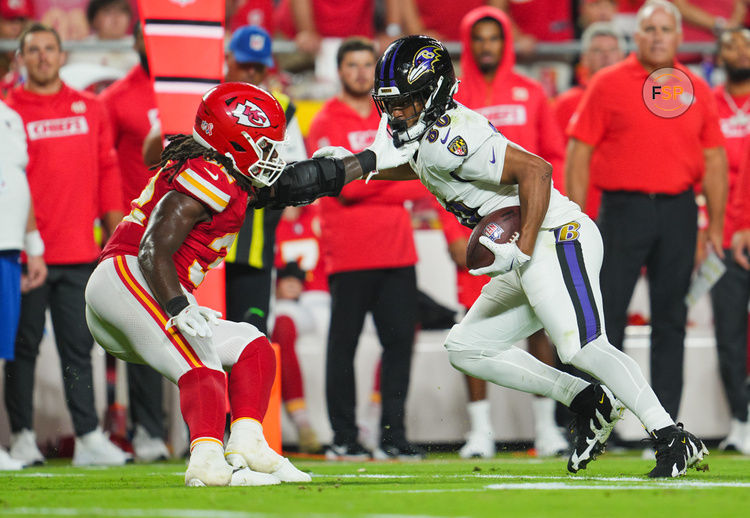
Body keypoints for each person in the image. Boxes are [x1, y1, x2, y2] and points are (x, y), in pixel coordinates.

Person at [312, 34, 708, 477]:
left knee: (582, 344)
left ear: (434, 91)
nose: (397, 112)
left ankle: (672, 436)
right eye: (390, 103)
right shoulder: (430, 134)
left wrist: (521, 250)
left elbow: (537, 170)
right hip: (525, 248)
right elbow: (420, 161)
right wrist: (355, 166)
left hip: (558, 236)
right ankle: (586, 400)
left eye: (408, 100)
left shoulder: (455, 134)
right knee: (466, 348)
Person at [84, 82, 322, 486]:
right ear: (235, 141)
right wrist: (179, 306)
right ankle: (207, 462)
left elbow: (293, 186)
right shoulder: (209, 173)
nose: (273, 154)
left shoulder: (221, 171)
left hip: (144, 286)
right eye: (265, 144)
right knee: (201, 365)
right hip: (130, 277)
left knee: (252, 346)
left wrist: (362, 163)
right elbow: (152, 248)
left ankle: (247, 442)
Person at [566, 0, 728, 423]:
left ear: (679, 37)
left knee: (671, 320)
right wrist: (577, 216)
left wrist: (715, 227)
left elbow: (713, 160)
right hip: (621, 211)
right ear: (635, 36)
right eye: (649, 29)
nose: (657, 36)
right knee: (606, 320)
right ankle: (601, 423)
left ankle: (665, 424)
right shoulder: (607, 83)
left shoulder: (698, 88)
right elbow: (579, 151)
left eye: (665, 29)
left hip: (678, 211)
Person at [4, 23, 131, 467]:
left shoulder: (91, 107)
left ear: (62, 56)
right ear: (20, 59)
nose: (42, 57)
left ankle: (89, 435)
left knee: (80, 347)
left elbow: (108, 174)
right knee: (22, 347)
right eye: (33, 50)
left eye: (50, 49)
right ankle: (20, 435)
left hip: (81, 252)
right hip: (24, 254)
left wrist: (120, 242)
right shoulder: (7, 109)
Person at [447, 5, 569, 459]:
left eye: (493, 38)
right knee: (474, 325)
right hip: (476, 227)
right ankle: (480, 431)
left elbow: (553, 155)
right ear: (467, 44)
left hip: (531, 223)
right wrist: (450, 233)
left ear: (507, 42)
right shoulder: (455, 102)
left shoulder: (533, 92)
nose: (486, 46)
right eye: (477, 38)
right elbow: (441, 174)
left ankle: (546, 429)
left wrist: (553, 221)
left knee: (541, 321)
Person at [308, 37, 428, 460]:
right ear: (338, 71)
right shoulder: (325, 119)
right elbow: (344, 185)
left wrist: (382, 180)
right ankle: (344, 436)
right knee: (344, 346)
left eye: (366, 65)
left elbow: (419, 171)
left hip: (398, 252)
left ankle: (394, 436)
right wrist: (397, 183)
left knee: (399, 346)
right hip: (351, 254)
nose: (360, 72)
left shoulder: (393, 115)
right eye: (352, 65)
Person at [98, 21, 170, 462]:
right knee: (145, 331)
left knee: (194, 326)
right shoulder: (115, 98)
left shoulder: (194, 93)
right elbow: (104, 168)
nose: (152, 43)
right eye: (147, 33)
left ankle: (206, 428)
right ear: (136, 40)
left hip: (190, 228)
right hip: (138, 230)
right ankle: (147, 429)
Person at [223, 25, 308, 335]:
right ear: (228, 58)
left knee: (250, 339)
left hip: (254, 247)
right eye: (244, 63)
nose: (251, 72)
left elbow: (295, 172)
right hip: (203, 247)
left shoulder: (282, 108)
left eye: (258, 65)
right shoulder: (207, 102)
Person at [709, 27, 750, 454]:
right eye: (731, 45)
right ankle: (741, 420)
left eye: (746, 44)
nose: (739, 51)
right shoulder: (708, 103)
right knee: (728, 333)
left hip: (746, 224)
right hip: (720, 233)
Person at [0, 98, 46, 471]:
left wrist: (34, 247)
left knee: (3, 350)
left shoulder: (10, 116)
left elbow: (19, 182)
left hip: (10, 248)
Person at [553, 21, 626, 220]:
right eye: (597, 50)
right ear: (584, 59)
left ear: (622, 57)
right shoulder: (564, 104)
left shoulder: (636, 101)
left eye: (612, 49)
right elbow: (555, 159)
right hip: (580, 210)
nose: (606, 55)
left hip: (627, 210)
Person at [271, 205, 327, 453]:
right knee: (282, 327)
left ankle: (367, 422)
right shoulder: (270, 221)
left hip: (321, 298)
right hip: (285, 302)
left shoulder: (320, 216)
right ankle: (301, 419)